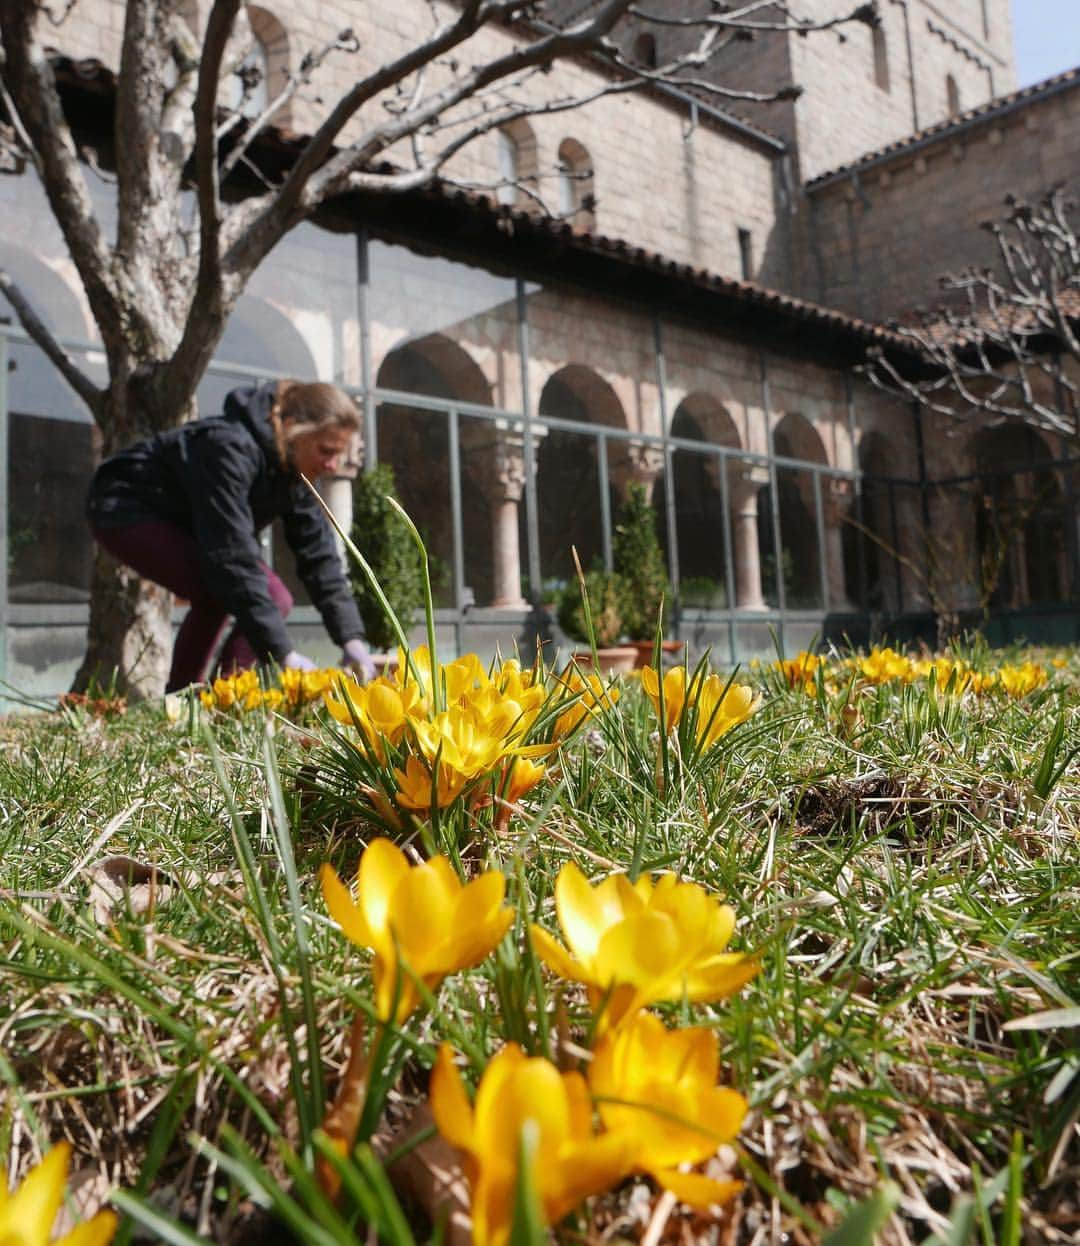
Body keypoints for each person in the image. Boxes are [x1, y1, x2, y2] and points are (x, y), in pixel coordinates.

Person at [86, 379, 376, 692]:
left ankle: (212, 699)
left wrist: (352, 640)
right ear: (292, 428)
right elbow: (231, 556)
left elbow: (319, 557)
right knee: (227, 587)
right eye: (326, 451)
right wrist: (283, 654)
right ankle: (198, 700)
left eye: (338, 455)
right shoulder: (229, 447)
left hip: (186, 519)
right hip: (123, 505)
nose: (332, 465)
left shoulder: (293, 472)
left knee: (249, 592)